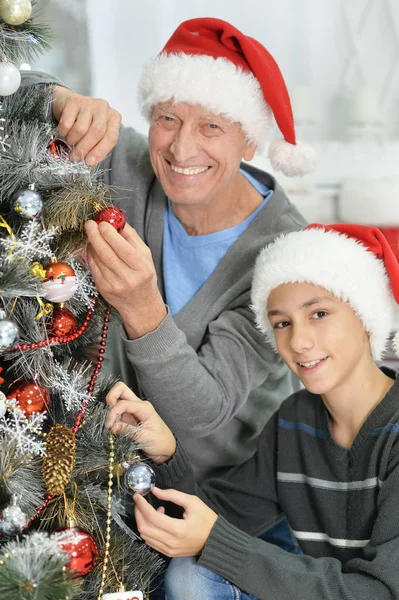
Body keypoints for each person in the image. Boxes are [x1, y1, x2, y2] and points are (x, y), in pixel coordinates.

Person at [23, 17, 314, 482]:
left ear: (251, 143)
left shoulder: (285, 258)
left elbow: (202, 414)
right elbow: (12, 94)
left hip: (218, 495)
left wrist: (143, 310)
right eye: (168, 118)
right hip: (97, 475)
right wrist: (59, 99)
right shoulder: (127, 164)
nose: (181, 148)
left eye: (212, 126)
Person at [105, 223, 399, 600]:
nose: (299, 341)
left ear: (365, 317)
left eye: (319, 314)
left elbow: (381, 593)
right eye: (282, 323)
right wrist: (167, 454)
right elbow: (219, 517)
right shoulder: (295, 421)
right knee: (190, 574)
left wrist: (216, 541)